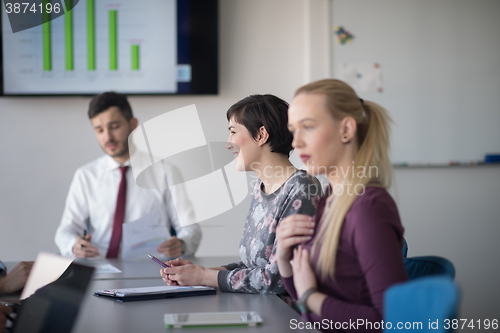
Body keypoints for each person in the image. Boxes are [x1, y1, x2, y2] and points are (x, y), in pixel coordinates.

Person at [160, 95, 322, 303]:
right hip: (262, 307)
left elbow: (277, 278)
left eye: (233, 132)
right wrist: (197, 272)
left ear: (261, 135)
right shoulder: (260, 187)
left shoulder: (301, 187)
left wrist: (204, 277)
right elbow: (253, 266)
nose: (228, 144)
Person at [277, 79, 407, 331]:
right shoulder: (330, 198)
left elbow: (394, 320)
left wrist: (311, 297)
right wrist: (284, 258)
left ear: (346, 129)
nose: (296, 142)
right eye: (294, 130)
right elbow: (309, 300)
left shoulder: (369, 207)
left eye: (308, 127)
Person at [55, 92, 201, 259]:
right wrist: (73, 246)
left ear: (133, 124)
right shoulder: (86, 176)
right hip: (99, 269)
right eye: (99, 130)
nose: (107, 137)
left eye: (114, 126)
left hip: (152, 270)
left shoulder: (165, 172)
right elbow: (65, 230)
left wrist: (182, 244)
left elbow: (191, 228)